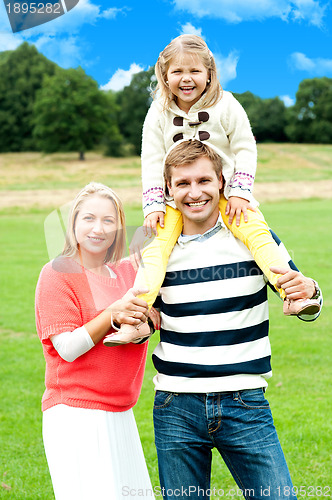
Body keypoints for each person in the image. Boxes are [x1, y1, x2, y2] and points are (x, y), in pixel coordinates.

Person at [105, 34, 320, 346]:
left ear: (209, 74)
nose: (186, 78)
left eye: (194, 71)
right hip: (172, 202)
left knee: (258, 236)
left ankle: (292, 294)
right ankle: (139, 318)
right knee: (154, 252)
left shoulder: (226, 105)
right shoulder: (158, 113)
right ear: (165, 76)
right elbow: (150, 160)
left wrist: (240, 192)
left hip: (228, 195)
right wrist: (152, 207)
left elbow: (246, 147)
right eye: (177, 72)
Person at [150, 140, 322, 500]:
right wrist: (135, 324)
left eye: (203, 181)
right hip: (175, 406)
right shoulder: (151, 246)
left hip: (244, 402)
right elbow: (144, 317)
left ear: (222, 183)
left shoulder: (255, 237)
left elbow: (303, 300)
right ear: (168, 189)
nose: (194, 192)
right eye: (182, 183)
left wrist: (309, 293)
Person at [35, 182, 155, 500]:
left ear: (118, 228)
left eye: (108, 220)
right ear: (73, 223)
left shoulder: (128, 272)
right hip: (76, 414)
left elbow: (153, 314)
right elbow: (68, 348)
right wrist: (112, 316)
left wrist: (147, 325)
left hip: (120, 411)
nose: (97, 228)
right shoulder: (57, 274)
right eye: (88, 218)